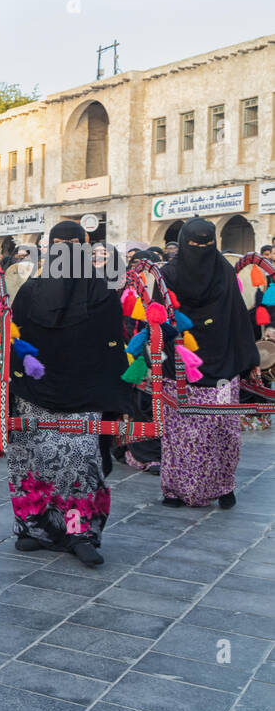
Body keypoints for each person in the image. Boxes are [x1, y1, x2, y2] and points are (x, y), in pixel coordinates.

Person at [7, 222, 135, 567]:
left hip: (85, 396)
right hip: (35, 396)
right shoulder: (29, 292)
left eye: (72, 245)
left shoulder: (102, 294)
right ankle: (33, 529)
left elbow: (113, 349)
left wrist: (119, 401)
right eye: (58, 245)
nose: (65, 252)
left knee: (79, 468)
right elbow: (15, 346)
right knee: (33, 465)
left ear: (86, 247)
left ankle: (79, 533)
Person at [159, 217, 260, 509]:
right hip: (182, 364)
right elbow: (160, 322)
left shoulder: (224, 271)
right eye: (194, 245)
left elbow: (238, 316)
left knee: (223, 431)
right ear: (183, 244)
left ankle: (223, 487)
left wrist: (250, 359)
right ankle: (176, 490)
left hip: (221, 364)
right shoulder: (169, 275)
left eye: (207, 244)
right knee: (181, 434)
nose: (201, 250)